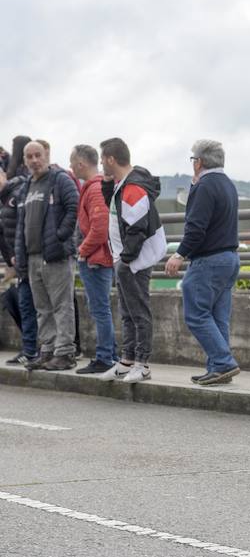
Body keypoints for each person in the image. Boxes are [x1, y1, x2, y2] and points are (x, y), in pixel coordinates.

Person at [164, 139, 241, 386]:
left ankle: (223, 362)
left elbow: (196, 228)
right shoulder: (227, 184)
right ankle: (217, 368)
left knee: (196, 314)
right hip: (230, 258)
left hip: (208, 260)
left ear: (199, 162)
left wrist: (179, 254)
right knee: (218, 317)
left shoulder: (205, 186)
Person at [98, 138, 167, 384]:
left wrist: (126, 260)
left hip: (135, 260)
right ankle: (127, 361)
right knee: (127, 311)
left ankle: (142, 363)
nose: (101, 164)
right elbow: (117, 212)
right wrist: (107, 186)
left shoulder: (134, 187)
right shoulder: (122, 185)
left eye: (102, 159)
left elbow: (137, 227)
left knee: (139, 312)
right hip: (125, 259)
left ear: (110, 159)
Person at [14, 140, 80, 370]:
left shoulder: (59, 179)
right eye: (29, 157)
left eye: (38, 155)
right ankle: (48, 350)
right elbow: (20, 224)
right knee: (42, 307)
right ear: (24, 160)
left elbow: (74, 207)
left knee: (62, 306)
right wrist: (19, 256)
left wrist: (60, 236)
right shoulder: (26, 186)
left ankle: (65, 353)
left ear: (46, 155)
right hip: (33, 257)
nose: (34, 160)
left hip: (56, 255)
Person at [69, 144, 118, 374]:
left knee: (100, 309)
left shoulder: (95, 189)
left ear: (81, 164)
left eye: (72, 163)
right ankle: (111, 355)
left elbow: (100, 227)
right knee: (100, 308)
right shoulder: (94, 187)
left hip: (96, 260)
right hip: (97, 258)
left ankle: (105, 357)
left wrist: (82, 250)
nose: (71, 167)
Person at [1, 136, 38, 365]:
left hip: (26, 257)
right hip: (16, 259)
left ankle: (38, 349)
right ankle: (30, 349)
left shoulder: (18, 191)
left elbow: (22, 226)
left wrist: (16, 258)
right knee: (21, 302)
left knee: (34, 304)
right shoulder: (7, 195)